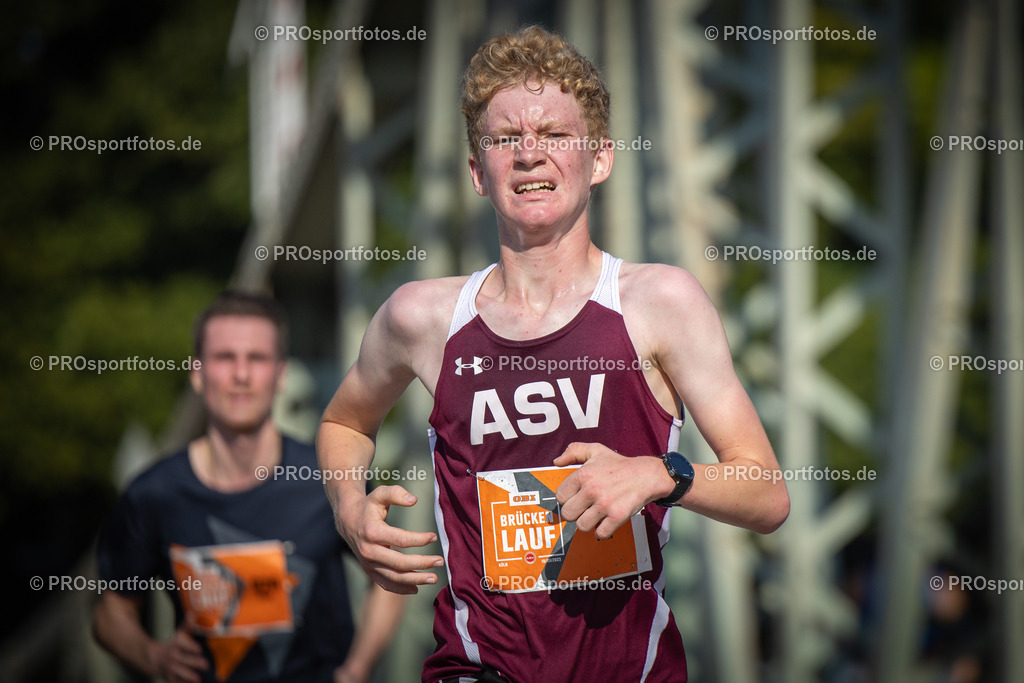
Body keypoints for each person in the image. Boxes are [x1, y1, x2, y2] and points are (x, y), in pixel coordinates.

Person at [317, 26, 790, 683]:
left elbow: (766, 492)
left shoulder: (660, 302)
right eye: (505, 139)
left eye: (554, 134)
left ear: (600, 160)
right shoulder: (421, 317)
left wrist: (659, 474)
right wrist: (348, 508)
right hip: (476, 668)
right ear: (478, 173)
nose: (529, 154)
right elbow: (343, 421)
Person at [93, 291, 405, 683]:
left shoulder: (328, 476)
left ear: (280, 374)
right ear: (197, 373)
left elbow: (390, 579)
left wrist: (357, 669)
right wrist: (154, 657)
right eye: (225, 358)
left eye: (256, 358)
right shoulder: (153, 494)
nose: (241, 375)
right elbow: (111, 613)